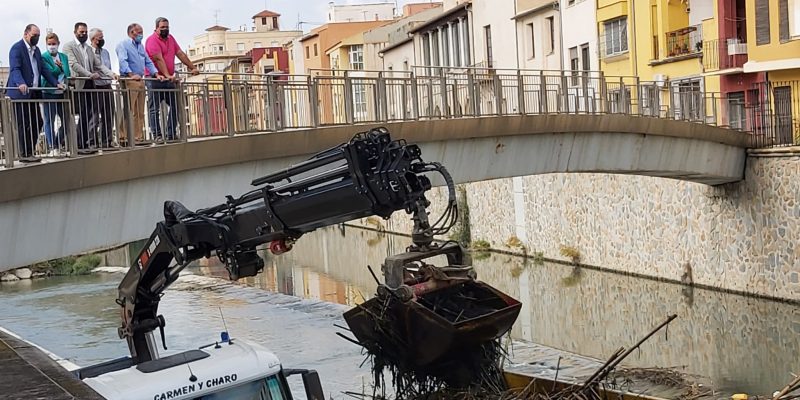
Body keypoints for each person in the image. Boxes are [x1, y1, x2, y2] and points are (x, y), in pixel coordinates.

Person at [6, 24, 63, 163]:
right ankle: (24, 154)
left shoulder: (36, 50)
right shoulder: (17, 48)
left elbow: (43, 69)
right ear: (26, 34)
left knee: (37, 121)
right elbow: (15, 69)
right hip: (20, 94)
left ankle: (29, 151)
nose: (36, 38)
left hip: (33, 93)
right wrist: (20, 83)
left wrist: (56, 83)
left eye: (38, 35)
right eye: (34, 35)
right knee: (23, 123)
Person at [63, 22, 114, 154]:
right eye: (81, 32)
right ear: (75, 32)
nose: (83, 34)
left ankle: (87, 144)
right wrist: (89, 75)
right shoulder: (69, 46)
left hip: (90, 85)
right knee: (82, 115)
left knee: (89, 115)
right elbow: (73, 64)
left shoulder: (88, 49)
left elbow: (98, 65)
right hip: (79, 84)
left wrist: (111, 74)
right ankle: (80, 145)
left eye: (85, 32)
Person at [145, 17, 199, 142]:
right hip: (154, 79)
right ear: (156, 28)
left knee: (175, 105)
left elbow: (180, 54)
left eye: (167, 27)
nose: (165, 29)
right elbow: (158, 59)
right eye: (162, 27)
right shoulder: (151, 40)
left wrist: (192, 67)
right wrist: (167, 75)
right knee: (154, 109)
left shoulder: (171, 38)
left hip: (169, 79)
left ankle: (171, 133)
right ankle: (157, 135)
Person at [116, 23, 158, 145]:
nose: (141, 34)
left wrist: (155, 73)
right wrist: (130, 75)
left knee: (140, 111)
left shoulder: (140, 46)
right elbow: (122, 61)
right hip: (129, 80)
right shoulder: (123, 44)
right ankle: (123, 137)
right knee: (129, 109)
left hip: (140, 80)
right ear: (132, 32)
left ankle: (138, 137)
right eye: (139, 32)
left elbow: (148, 61)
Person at [41, 32, 70, 154]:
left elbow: (67, 72)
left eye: (54, 44)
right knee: (49, 120)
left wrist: (62, 69)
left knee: (66, 121)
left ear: (58, 43)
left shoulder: (64, 56)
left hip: (62, 92)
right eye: (49, 44)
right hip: (48, 92)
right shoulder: (44, 57)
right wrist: (58, 68)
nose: (52, 46)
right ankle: (52, 146)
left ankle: (58, 143)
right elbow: (49, 73)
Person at [89, 27, 118, 148]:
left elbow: (107, 67)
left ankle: (107, 141)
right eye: (99, 38)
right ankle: (92, 141)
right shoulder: (88, 52)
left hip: (107, 85)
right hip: (96, 86)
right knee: (94, 116)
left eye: (102, 37)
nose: (102, 40)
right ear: (93, 39)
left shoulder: (105, 52)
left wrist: (112, 75)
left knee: (108, 114)